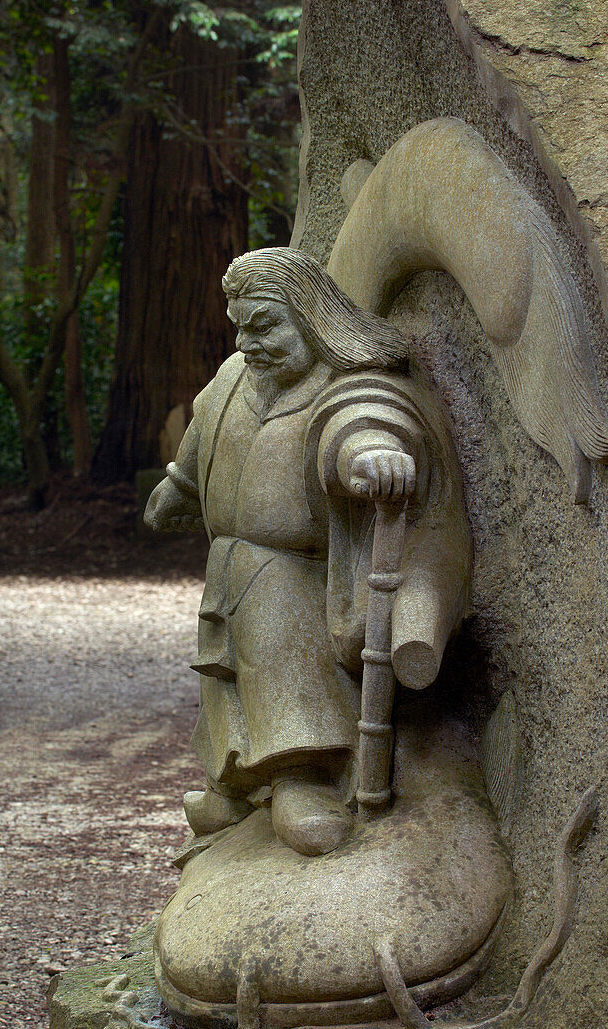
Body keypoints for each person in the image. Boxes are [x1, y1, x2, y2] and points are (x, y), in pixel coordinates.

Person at [145, 247, 472, 857]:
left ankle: (304, 778)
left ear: (310, 316)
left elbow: (359, 421)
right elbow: (201, 434)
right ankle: (239, 783)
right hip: (230, 565)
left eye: (264, 325)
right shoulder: (234, 379)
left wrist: (370, 456)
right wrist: (181, 485)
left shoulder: (343, 382)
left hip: (294, 576)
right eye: (239, 325)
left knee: (284, 669)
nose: (247, 341)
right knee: (227, 681)